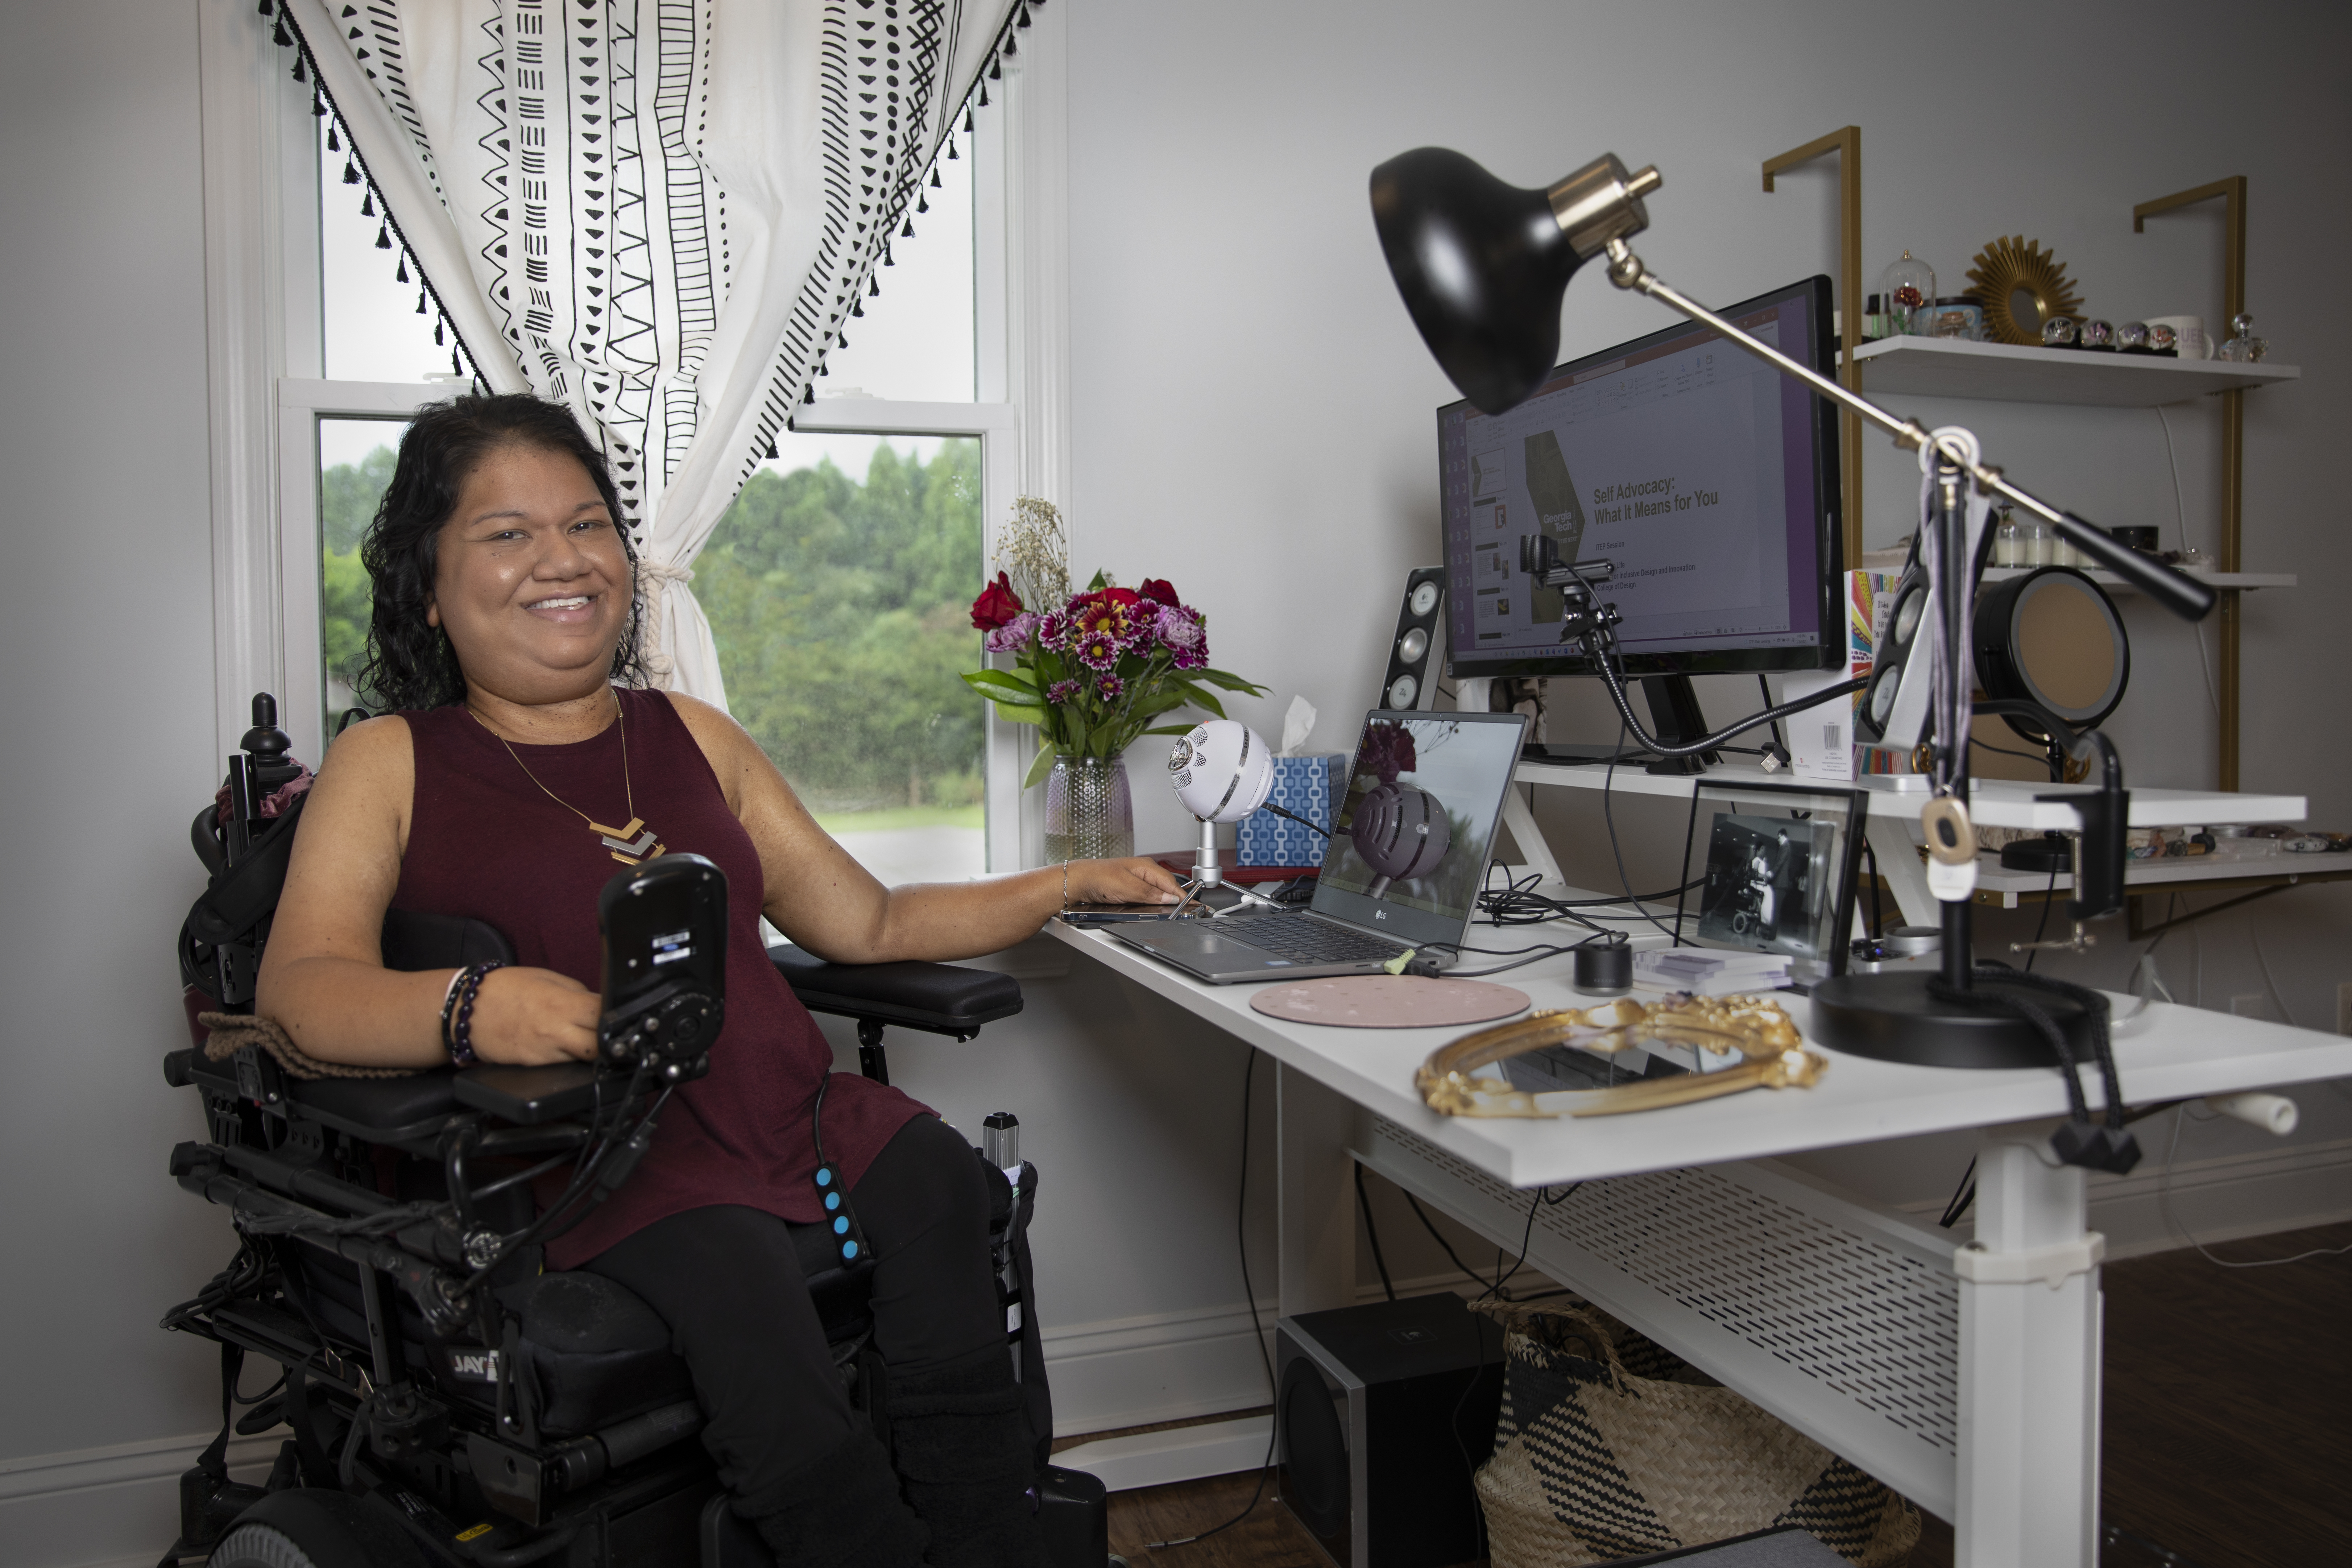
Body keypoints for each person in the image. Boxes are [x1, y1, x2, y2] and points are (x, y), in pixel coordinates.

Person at [257, 394, 1183, 1568]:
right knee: (740, 1279)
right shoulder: (391, 760)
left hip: (782, 1102)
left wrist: (1071, 883)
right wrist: (482, 1005)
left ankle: (984, 1539)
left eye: (586, 525)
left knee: (947, 1185)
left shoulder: (692, 732)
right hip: (603, 1155)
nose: (561, 559)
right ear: (430, 588)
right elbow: (301, 987)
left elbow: (872, 916)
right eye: (506, 533)